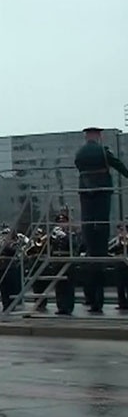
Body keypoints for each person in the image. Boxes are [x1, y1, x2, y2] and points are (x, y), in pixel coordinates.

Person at [74, 127, 128, 313]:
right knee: (101, 250)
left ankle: (94, 302)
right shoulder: (103, 153)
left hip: (86, 203)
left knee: (91, 252)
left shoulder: (80, 154)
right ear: (98, 136)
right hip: (101, 201)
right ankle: (98, 299)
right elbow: (119, 166)